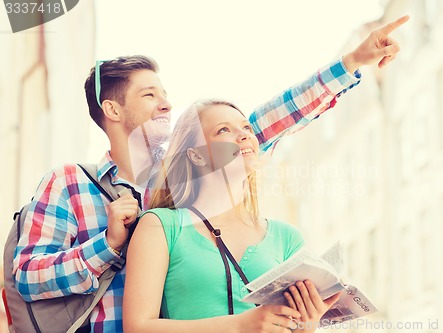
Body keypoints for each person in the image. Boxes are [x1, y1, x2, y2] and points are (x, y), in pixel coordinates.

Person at [12, 15, 409, 333]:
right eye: (150, 95)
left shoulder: (186, 176)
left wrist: (352, 63)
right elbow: (27, 276)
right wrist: (109, 244)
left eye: (166, 93)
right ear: (112, 110)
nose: (167, 103)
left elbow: (267, 121)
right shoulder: (68, 182)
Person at [123, 99, 340, 333]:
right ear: (196, 156)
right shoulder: (160, 225)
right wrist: (239, 326)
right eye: (224, 130)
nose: (245, 135)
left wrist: (307, 324)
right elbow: (137, 327)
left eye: (246, 128)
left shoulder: (287, 238)